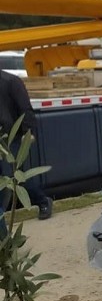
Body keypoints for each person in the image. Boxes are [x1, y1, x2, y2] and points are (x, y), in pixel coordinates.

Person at [0, 69, 53, 230]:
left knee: (16, 177)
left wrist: (28, 131)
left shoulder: (11, 81)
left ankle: (43, 201)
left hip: (11, 138)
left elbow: (25, 108)